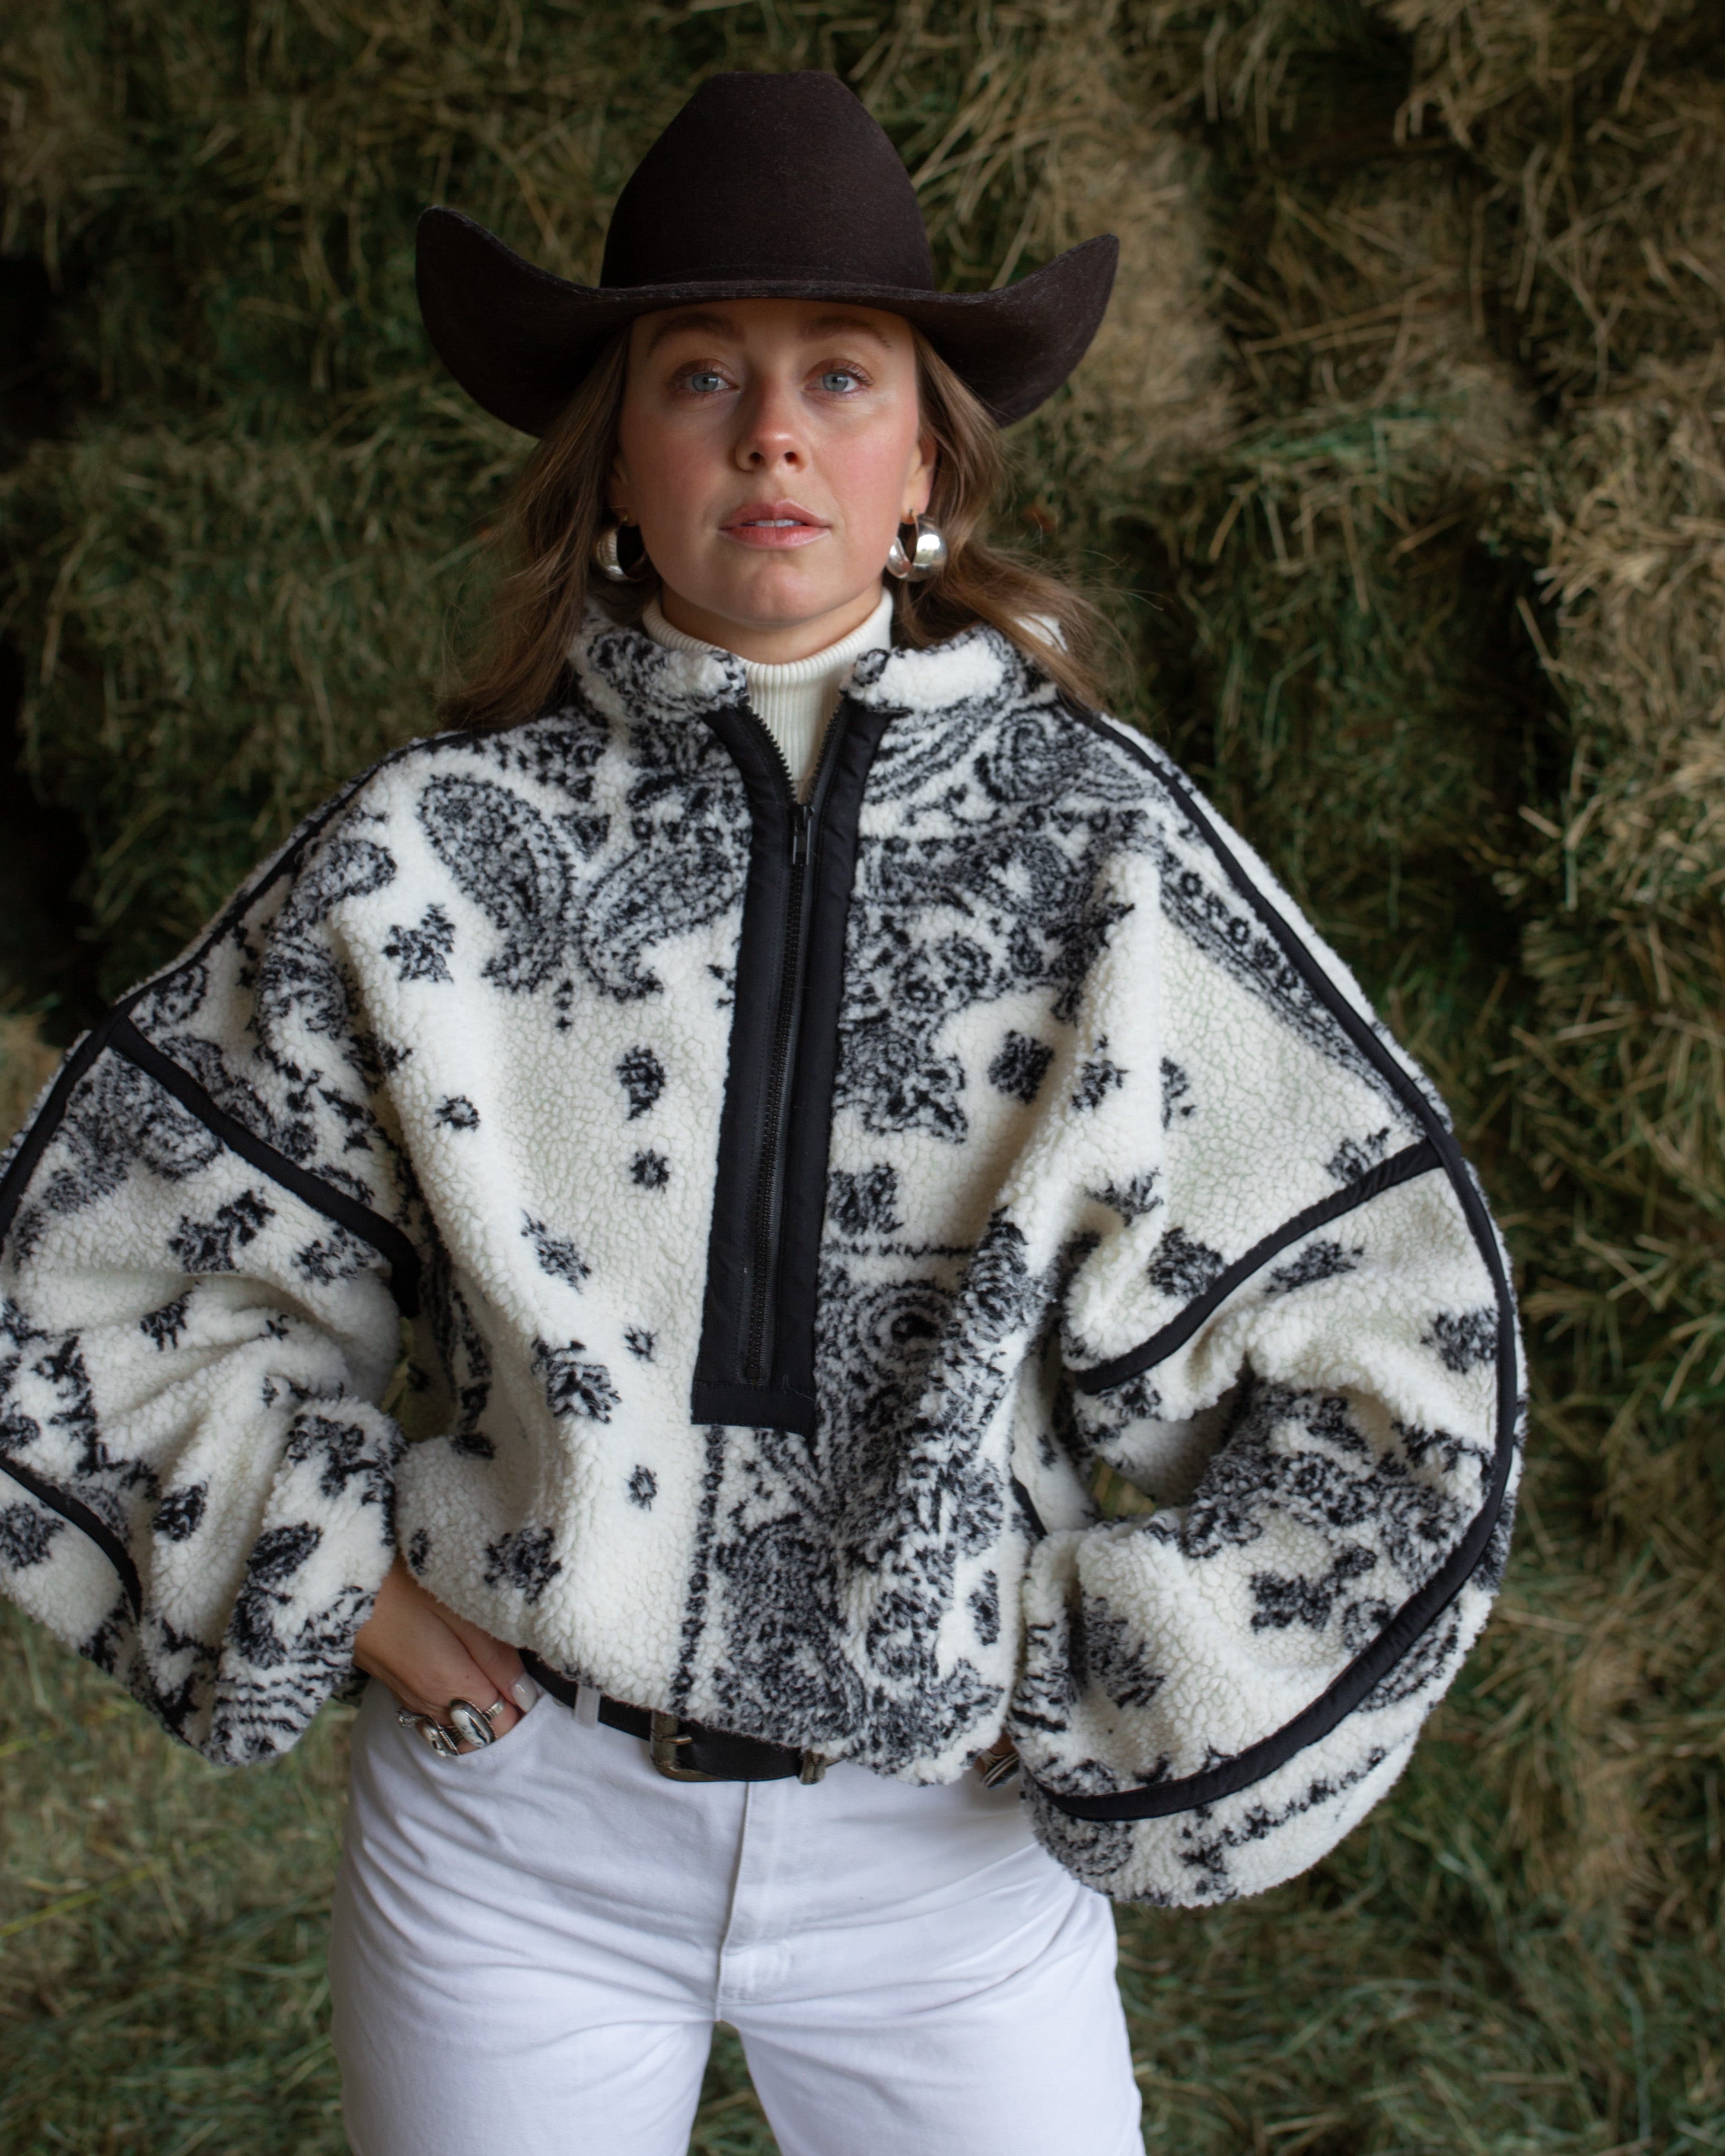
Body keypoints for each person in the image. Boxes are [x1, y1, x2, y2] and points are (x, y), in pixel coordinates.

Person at [0, 70, 1521, 2156]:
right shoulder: (426, 855)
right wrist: (373, 1609)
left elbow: (1402, 1336)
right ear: (617, 462)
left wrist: (1093, 1681)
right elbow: (81, 1271)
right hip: (515, 1839)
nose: (772, 432)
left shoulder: (1109, 857)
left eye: (841, 376)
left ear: (926, 460)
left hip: (943, 1865)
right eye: (701, 375)